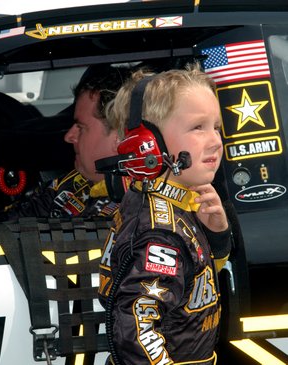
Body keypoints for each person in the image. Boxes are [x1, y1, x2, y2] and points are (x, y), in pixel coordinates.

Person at [98, 64, 232, 365]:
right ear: (148, 142)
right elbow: (135, 325)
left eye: (216, 127)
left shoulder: (176, 206)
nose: (214, 140)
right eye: (197, 127)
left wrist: (217, 236)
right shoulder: (161, 230)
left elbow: (195, 282)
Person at [0, 63, 132, 220]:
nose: (69, 136)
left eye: (81, 127)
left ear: (119, 139)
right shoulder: (72, 184)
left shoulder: (140, 208)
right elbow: (10, 222)